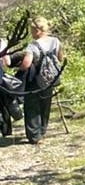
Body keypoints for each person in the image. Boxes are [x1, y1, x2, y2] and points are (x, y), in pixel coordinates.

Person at [17, 16, 63, 145]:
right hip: (50, 78)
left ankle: (34, 136)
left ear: (37, 30)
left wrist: (18, 67)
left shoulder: (33, 45)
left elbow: (26, 64)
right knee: (45, 104)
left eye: (32, 30)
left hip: (35, 78)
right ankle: (42, 130)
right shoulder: (55, 41)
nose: (31, 33)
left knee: (32, 106)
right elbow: (60, 57)